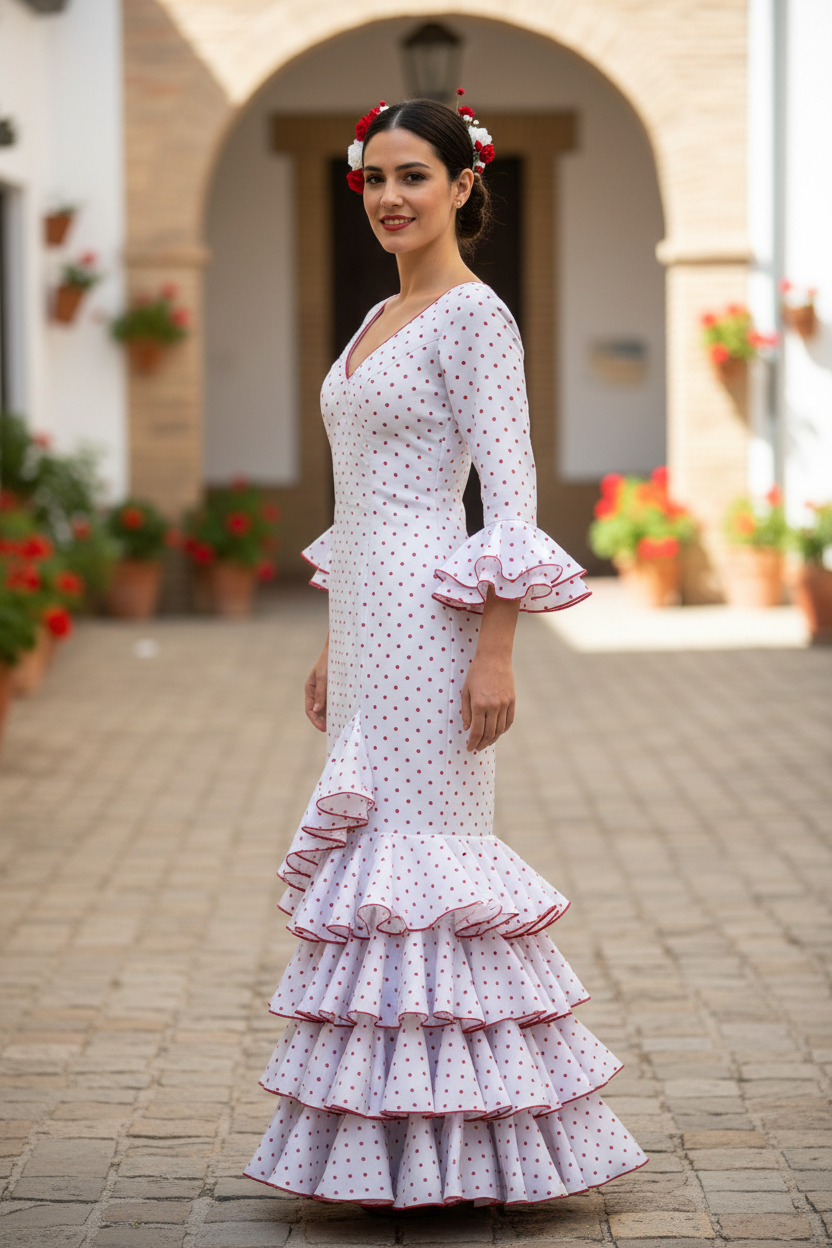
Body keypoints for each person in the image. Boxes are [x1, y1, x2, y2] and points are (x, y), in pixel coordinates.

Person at [245, 94, 647, 1208]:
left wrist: (497, 649)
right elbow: (356, 494)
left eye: (413, 176)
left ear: (467, 185)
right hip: (366, 621)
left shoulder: (478, 317)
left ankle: (469, 1147)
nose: (388, 198)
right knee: (374, 855)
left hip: (435, 617)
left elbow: (508, 491)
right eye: (373, 178)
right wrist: (334, 646)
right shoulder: (375, 315)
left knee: (423, 859)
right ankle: (390, 1141)